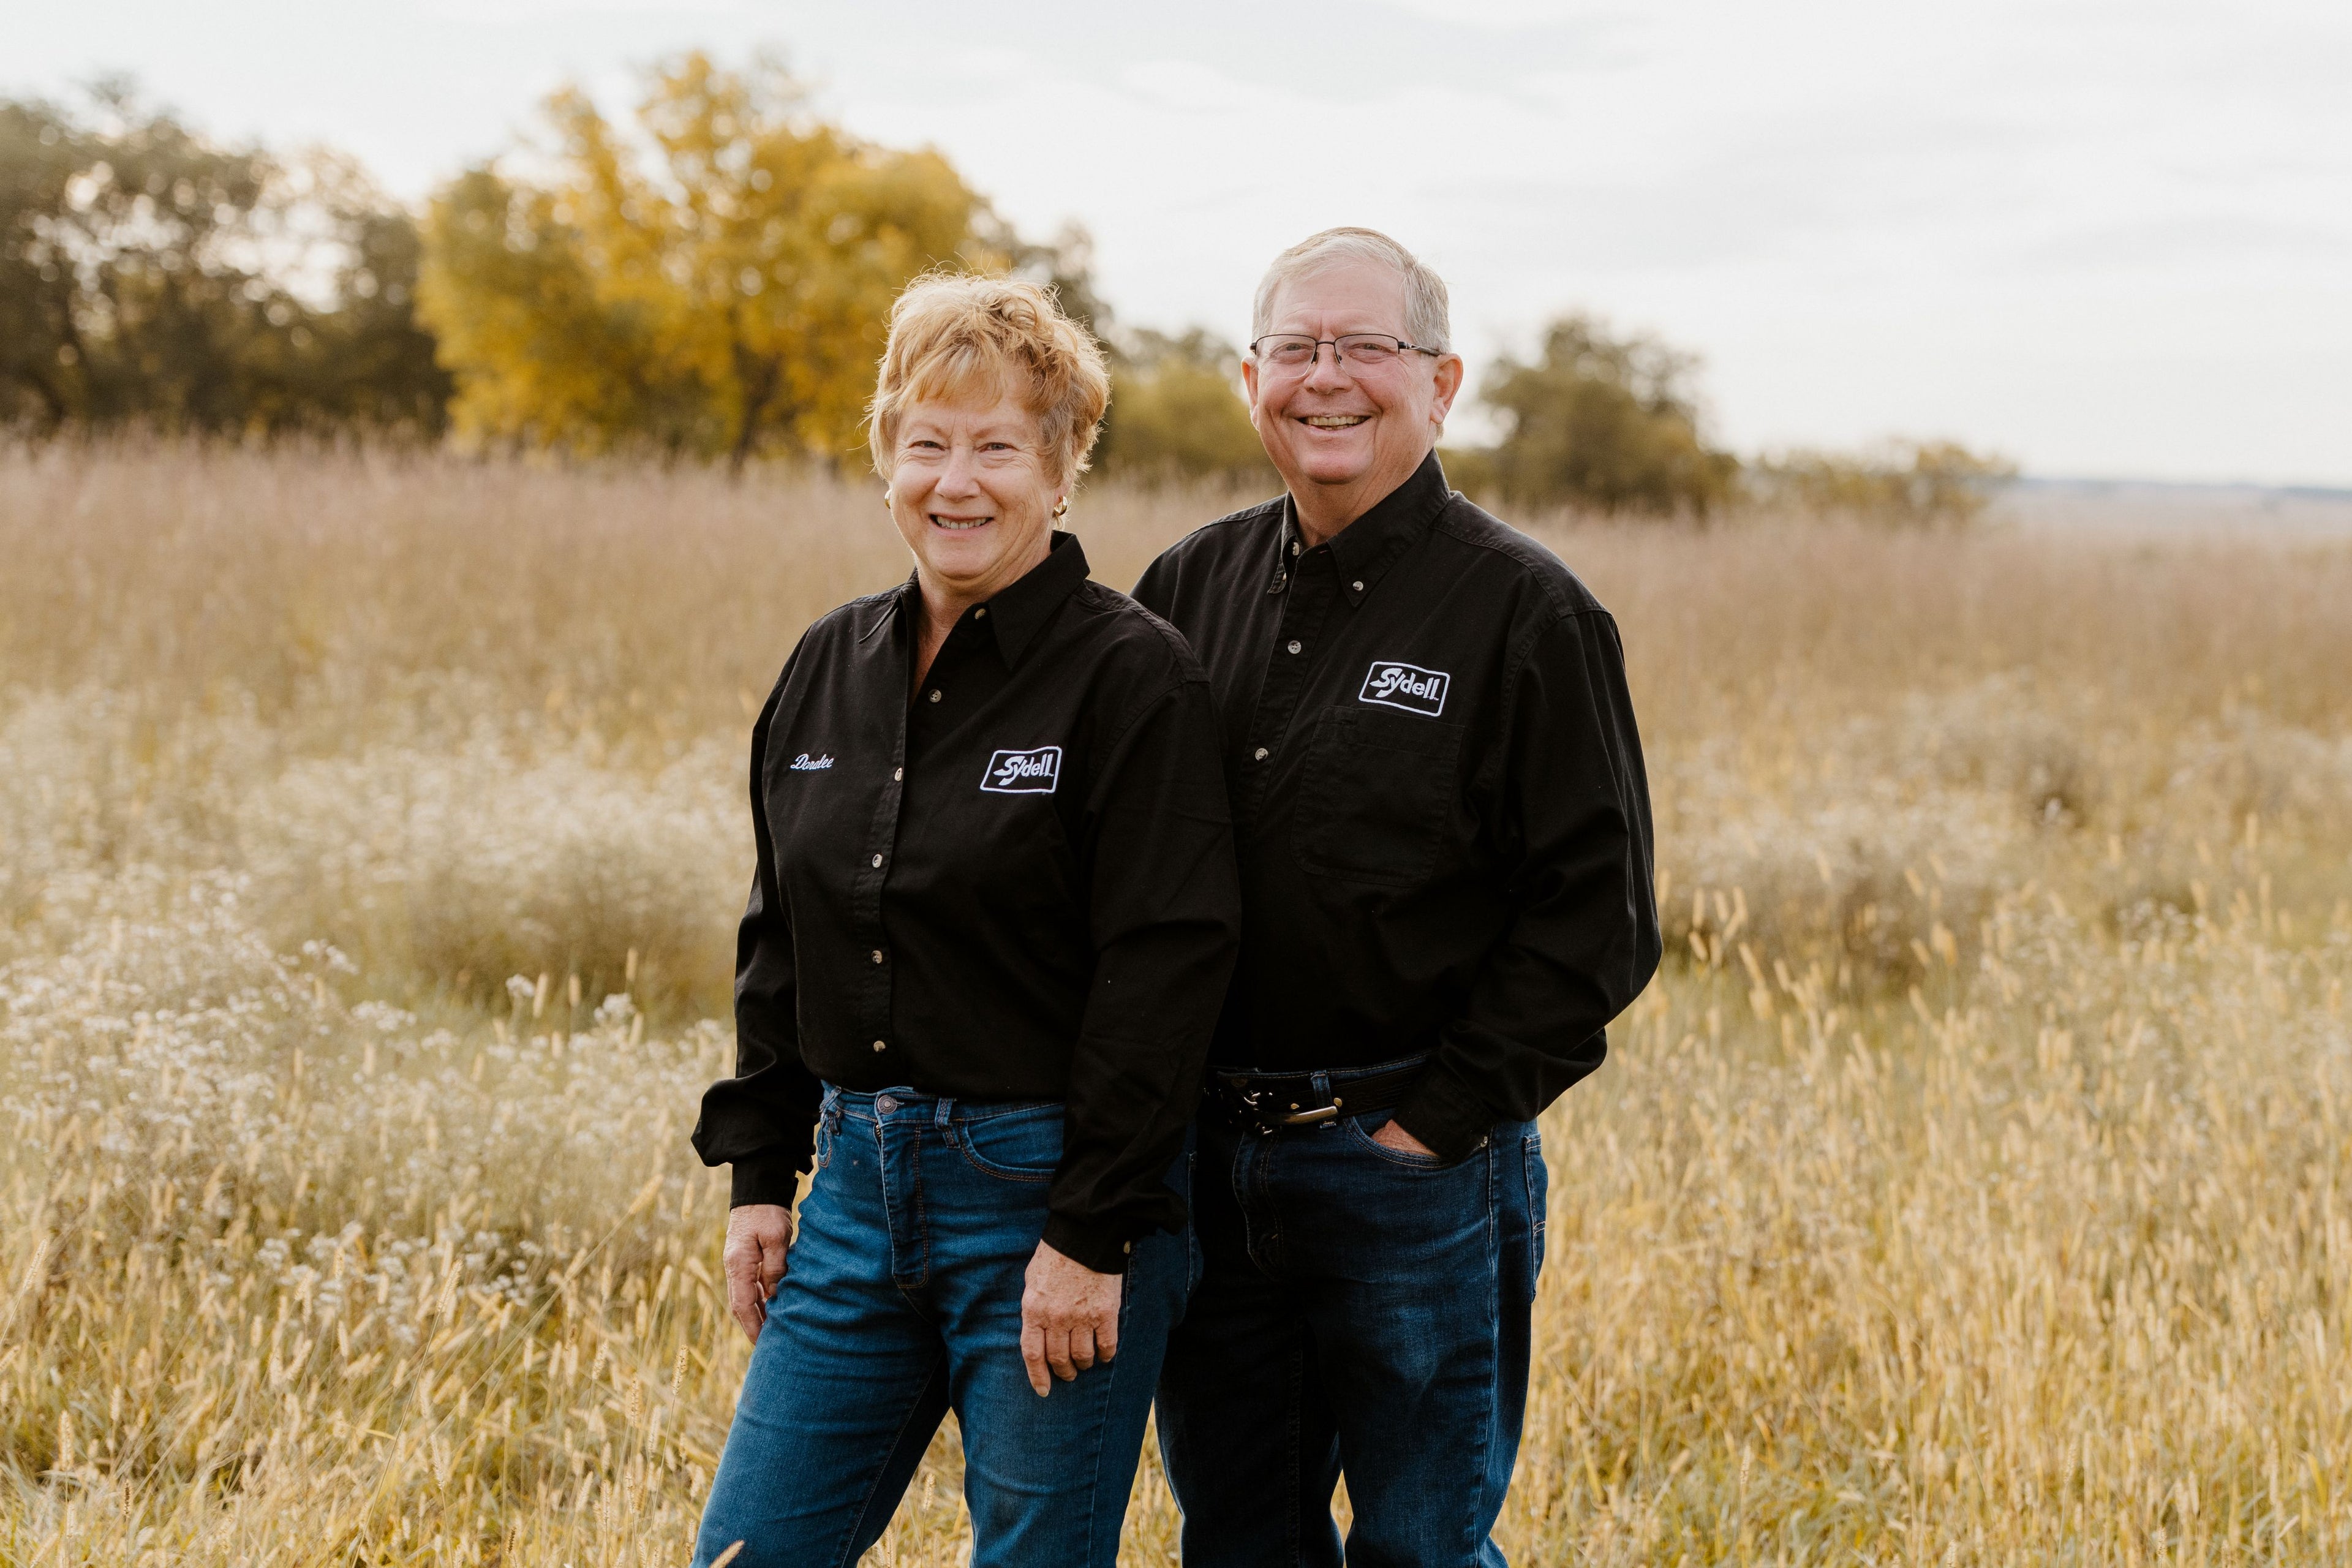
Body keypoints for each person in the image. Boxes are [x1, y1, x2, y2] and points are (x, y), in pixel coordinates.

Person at [688, 273, 1241, 1568]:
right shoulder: (831, 660)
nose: (958, 480)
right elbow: (784, 929)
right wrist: (763, 1177)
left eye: (997, 446)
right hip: (857, 1196)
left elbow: (1166, 968)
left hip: (1048, 1193)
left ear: (1061, 470)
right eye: (926, 442)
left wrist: (1090, 1229)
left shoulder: (1132, 673)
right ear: (886, 457)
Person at [1131, 227, 1662, 1567]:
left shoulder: (1528, 613)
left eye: (1367, 347)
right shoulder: (1187, 586)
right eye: (1298, 349)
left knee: (1422, 1547)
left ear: (1443, 382)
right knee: (1240, 1539)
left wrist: (1430, 1127)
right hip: (1212, 1158)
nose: (1328, 378)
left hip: (1411, 1166)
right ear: (1250, 378)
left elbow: (1599, 919)